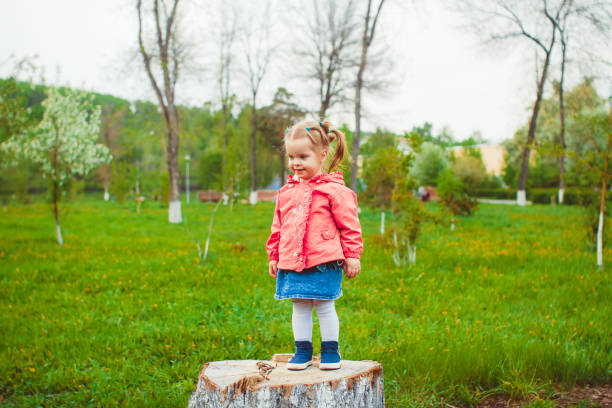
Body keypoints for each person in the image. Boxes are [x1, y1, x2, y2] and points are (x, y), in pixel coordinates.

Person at [266, 120, 363, 371]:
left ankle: (330, 351)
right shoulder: (286, 192)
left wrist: (352, 254)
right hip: (292, 261)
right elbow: (278, 226)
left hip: (324, 262)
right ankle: (303, 351)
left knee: (324, 305)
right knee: (299, 306)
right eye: (291, 156)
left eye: (303, 156)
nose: (296, 163)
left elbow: (349, 225)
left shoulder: (333, 191)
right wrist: (274, 255)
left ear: (322, 155)